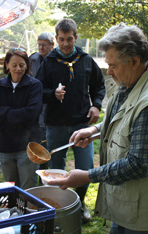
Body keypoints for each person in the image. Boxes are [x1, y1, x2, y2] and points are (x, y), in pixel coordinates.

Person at [48, 23, 148, 234]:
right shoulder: (130, 81)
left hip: (143, 210)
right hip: (127, 202)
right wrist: (94, 131)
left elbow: (139, 164)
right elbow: (121, 118)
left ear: (135, 61)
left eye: (113, 65)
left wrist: (87, 176)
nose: (109, 72)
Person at [35, 18, 105, 222]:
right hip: (55, 125)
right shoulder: (48, 62)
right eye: (62, 39)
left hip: (81, 124)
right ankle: (58, 205)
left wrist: (96, 105)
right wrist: (51, 94)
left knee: (85, 168)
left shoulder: (86, 60)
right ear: (56, 39)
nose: (66, 44)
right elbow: (37, 91)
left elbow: (99, 86)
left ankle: (80, 204)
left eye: (70, 39)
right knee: (56, 168)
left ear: (76, 37)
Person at [0, 48, 42, 190]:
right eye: (14, 65)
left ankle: (28, 212)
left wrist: (4, 112)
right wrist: (16, 120)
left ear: (27, 66)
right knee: (11, 189)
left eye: (22, 65)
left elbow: (31, 114)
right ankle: (15, 212)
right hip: (5, 146)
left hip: (27, 147)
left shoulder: (34, 85)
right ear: (7, 65)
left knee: (28, 190)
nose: (18, 69)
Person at [29, 31, 55, 182]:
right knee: (37, 143)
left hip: (50, 107)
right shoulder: (32, 59)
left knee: (48, 145)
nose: (41, 47)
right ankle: (38, 176)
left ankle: (47, 178)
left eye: (44, 45)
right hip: (35, 107)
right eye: (39, 44)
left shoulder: (56, 60)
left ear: (52, 46)